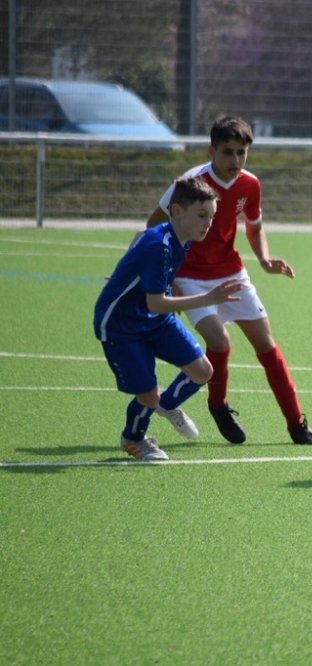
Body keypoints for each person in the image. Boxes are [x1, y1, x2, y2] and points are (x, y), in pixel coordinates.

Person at [144, 115, 312, 446]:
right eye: (227, 152)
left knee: (267, 345)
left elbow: (255, 228)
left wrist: (265, 259)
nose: (235, 160)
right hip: (191, 278)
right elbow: (153, 227)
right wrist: (168, 278)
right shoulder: (190, 183)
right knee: (220, 341)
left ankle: (297, 424)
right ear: (212, 150)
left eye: (242, 152)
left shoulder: (250, 185)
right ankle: (218, 405)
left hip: (231, 272)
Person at [95, 178, 243, 461]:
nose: (208, 224)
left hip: (154, 318)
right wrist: (208, 299)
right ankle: (133, 438)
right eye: (202, 215)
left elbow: (141, 233)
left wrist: (128, 269)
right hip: (122, 324)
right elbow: (157, 302)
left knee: (202, 371)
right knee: (148, 397)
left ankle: (166, 404)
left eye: (211, 217)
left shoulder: (179, 237)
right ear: (176, 210)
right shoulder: (159, 247)